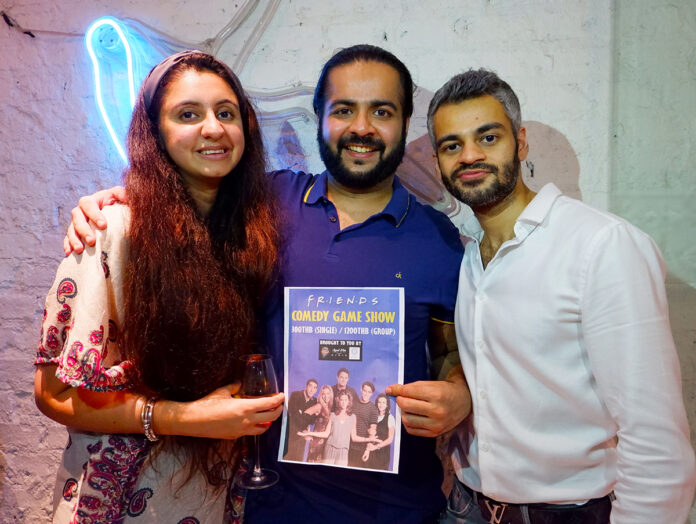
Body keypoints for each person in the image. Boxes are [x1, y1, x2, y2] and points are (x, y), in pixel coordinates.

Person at [62, 45, 472, 523]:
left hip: (399, 508)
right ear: (319, 118)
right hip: (266, 502)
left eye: (382, 110)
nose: (362, 128)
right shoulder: (265, 205)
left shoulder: (439, 239)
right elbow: (182, 197)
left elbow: (450, 352)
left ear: (404, 122)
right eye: (344, 110)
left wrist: (459, 393)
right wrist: (114, 203)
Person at [422, 69, 696, 523]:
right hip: (467, 506)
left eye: (487, 137)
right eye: (452, 145)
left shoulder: (601, 245)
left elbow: (655, 439)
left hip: (565, 514)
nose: (470, 155)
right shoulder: (469, 256)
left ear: (521, 142)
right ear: (438, 161)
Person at [33, 51, 285, 523]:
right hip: (121, 506)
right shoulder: (112, 230)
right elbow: (51, 394)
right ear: (156, 131)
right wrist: (179, 417)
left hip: (213, 499)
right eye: (188, 114)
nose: (213, 128)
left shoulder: (247, 235)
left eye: (225, 113)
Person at [284, 378, 318, 461]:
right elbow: (293, 415)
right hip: (291, 433)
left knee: (298, 459)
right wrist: (306, 418)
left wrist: (302, 414)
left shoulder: (315, 402)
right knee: (287, 458)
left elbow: (312, 421)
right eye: (310, 386)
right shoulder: (295, 395)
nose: (312, 390)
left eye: (314, 388)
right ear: (306, 386)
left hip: (302, 437)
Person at [348, 381, 378, 467]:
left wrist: (367, 450)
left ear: (372, 394)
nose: (366, 394)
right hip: (348, 444)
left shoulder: (373, 409)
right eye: (365, 391)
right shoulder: (353, 403)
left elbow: (373, 430)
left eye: (369, 392)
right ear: (361, 389)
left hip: (361, 448)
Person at [363, 393, 395, 470]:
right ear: (377, 403)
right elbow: (370, 435)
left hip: (382, 453)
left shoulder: (390, 418)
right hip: (371, 451)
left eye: (384, 402)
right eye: (379, 402)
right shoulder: (374, 416)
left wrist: (375, 447)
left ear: (387, 405)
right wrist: (367, 450)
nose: (381, 405)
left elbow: (390, 439)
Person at [304, 385, 334, 462]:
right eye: (323, 394)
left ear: (331, 394)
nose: (326, 396)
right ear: (321, 395)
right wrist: (306, 431)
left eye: (328, 393)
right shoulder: (319, 406)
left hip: (325, 442)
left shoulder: (329, 408)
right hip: (316, 442)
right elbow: (304, 415)